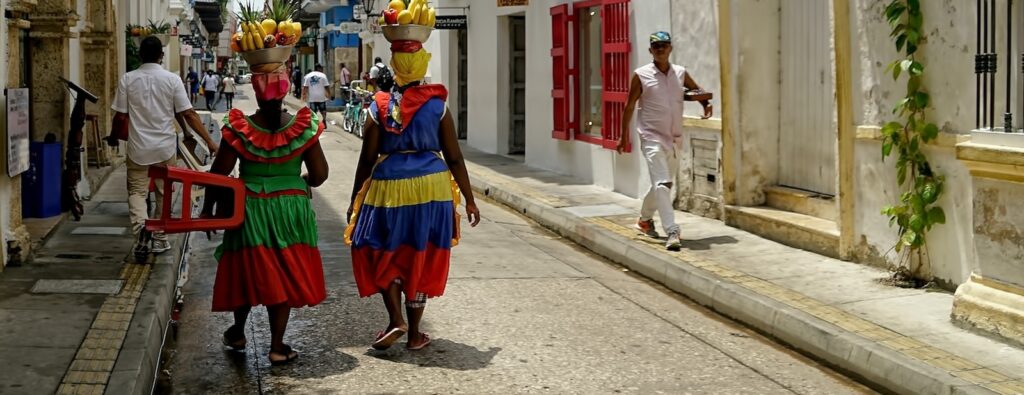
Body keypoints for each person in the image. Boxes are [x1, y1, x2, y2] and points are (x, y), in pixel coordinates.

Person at [345, 31, 481, 351]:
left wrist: (355, 197)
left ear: (393, 67)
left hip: (388, 186)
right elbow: (455, 156)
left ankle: (396, 319)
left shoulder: (378, 107)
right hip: (433, 187)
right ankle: (415, 334)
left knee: (378, 248)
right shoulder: (437, 107)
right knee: (422, 253)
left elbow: (367, 159)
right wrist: (470, 200)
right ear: (421, 67)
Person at [202, 66, 329, 365]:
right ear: (284, 92)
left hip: (250, 207)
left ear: (257, 95)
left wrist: (209, 209)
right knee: (282, 271)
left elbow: (219, 172)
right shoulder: (303, 126)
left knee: (249, 266)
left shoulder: (239, 127)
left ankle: (237, 331)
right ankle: (277, 345)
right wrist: (300, 181)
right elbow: (320, 175)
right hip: (291, 208)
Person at [110, 36, 219, 255]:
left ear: (140, 55)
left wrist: (113, 137)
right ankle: (159, 237)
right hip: (165, 148)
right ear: (161, 56)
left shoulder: (128, 79)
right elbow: (187, 113)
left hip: (138, 147)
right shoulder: (172, 80)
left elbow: (121, 116)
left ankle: (142, 228)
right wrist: (209, 142)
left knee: (137, 191)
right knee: (163, 192)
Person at [616, 31, 712, 251]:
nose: (660, 49)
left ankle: (644, 220)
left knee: (662, 185)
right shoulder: (641, 75)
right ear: (650, 50)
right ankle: (672, 231)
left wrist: (706, 105)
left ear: (670, 48)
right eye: (656, 46)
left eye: (664, 45)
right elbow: (629, 106)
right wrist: (624, 136)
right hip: (651, 136)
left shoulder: (680, 73)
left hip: (675, 137)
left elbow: (697, 90)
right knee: (662, 184)